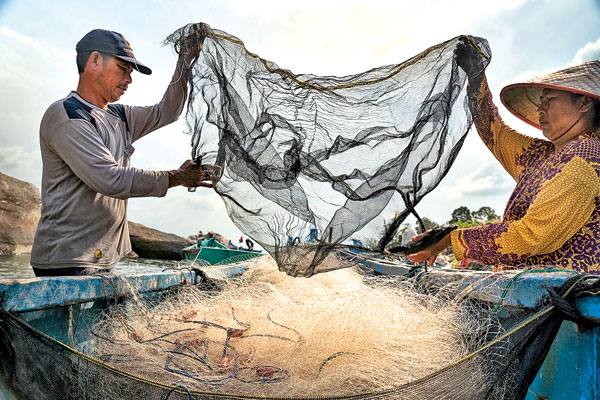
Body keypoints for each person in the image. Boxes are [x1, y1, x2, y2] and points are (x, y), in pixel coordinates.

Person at [30, 27, 218, 277]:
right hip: (67, 260)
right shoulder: (67, 115)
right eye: (123, 69)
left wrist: (183, 62)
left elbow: (167, 112)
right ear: (95, 60)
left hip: (102, 258)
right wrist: (179, 177)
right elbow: (110, 179)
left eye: (130, 72)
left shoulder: (119, 116)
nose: (129, 79)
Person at [408, 42, 600, 274]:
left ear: (584, 102)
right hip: (524, 289)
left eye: (549, 99)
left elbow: (531, 236)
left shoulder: (587, 158)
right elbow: (494, 131)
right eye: (541, 102)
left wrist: (450, 239)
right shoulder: (541, 155)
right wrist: (476, 74)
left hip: (562, 300)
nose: (541, 108)